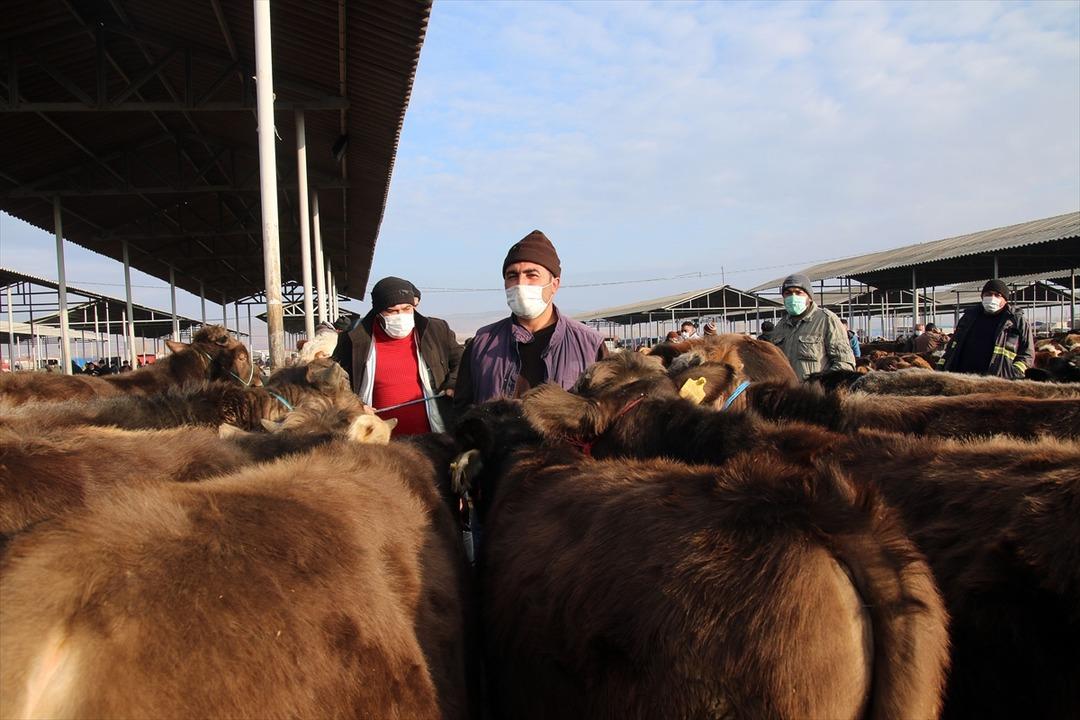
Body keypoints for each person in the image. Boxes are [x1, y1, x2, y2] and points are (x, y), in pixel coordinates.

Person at [454, 230, 606, 406]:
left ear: (554, 284)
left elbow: (606, 415)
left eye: (531, 275)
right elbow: (462, 413)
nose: (520, 284)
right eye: (512, 276)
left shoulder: (590, 346)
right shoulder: (481, 344)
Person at [334, 276, 462, 434]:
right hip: (378, 443)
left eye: (407, 309)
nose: (400, 315)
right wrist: (354, 405)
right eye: (392, 311)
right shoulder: (353, 339)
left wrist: (452, 384)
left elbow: (462, 361)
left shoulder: (436, 330)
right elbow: (334, 381)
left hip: (433, 438)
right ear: (378, 312)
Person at [937, 279, 1033, 378]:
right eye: (988, 294)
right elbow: (952, 346)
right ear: (982, 296)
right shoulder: (968, 317)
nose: (992, 298)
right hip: (962, 377)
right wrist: (942, 366)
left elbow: (1027, 353)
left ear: (1005, 299)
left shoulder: (1016, 321)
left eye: (997, 295)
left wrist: (1015, 372)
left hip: (997, 381)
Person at [768, 274, 855, 381]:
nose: (793, 297)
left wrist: (820, 385)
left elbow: (845, 363)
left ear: (809, 297)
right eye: (788, 293)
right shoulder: (780, 326)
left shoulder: (826, 320)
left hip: (815, 395)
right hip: (786, 394)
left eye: (798, 292)